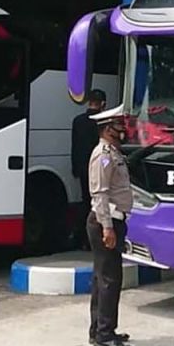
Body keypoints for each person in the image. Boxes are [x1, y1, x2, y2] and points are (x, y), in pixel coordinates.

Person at [86, 104, 134, 346]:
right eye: (119, 125)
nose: (123, 129)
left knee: (101, 278)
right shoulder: (103, 155)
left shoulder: (113, 153)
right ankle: (104, 335)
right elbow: (100, 194)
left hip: (112, 221)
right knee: (109, 280)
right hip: (107, 222)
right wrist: (107, 228)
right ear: (108, 129)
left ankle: (100, 330)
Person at [72, 89, 107, 247]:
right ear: (103, 104)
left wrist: (75, 168)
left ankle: (82, 238)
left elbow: (75, 146)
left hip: (82, 168)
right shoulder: (102, 122)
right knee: (99, 203)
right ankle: (96, 239)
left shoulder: (78, 120)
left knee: (85, 202)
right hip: (99, 169)